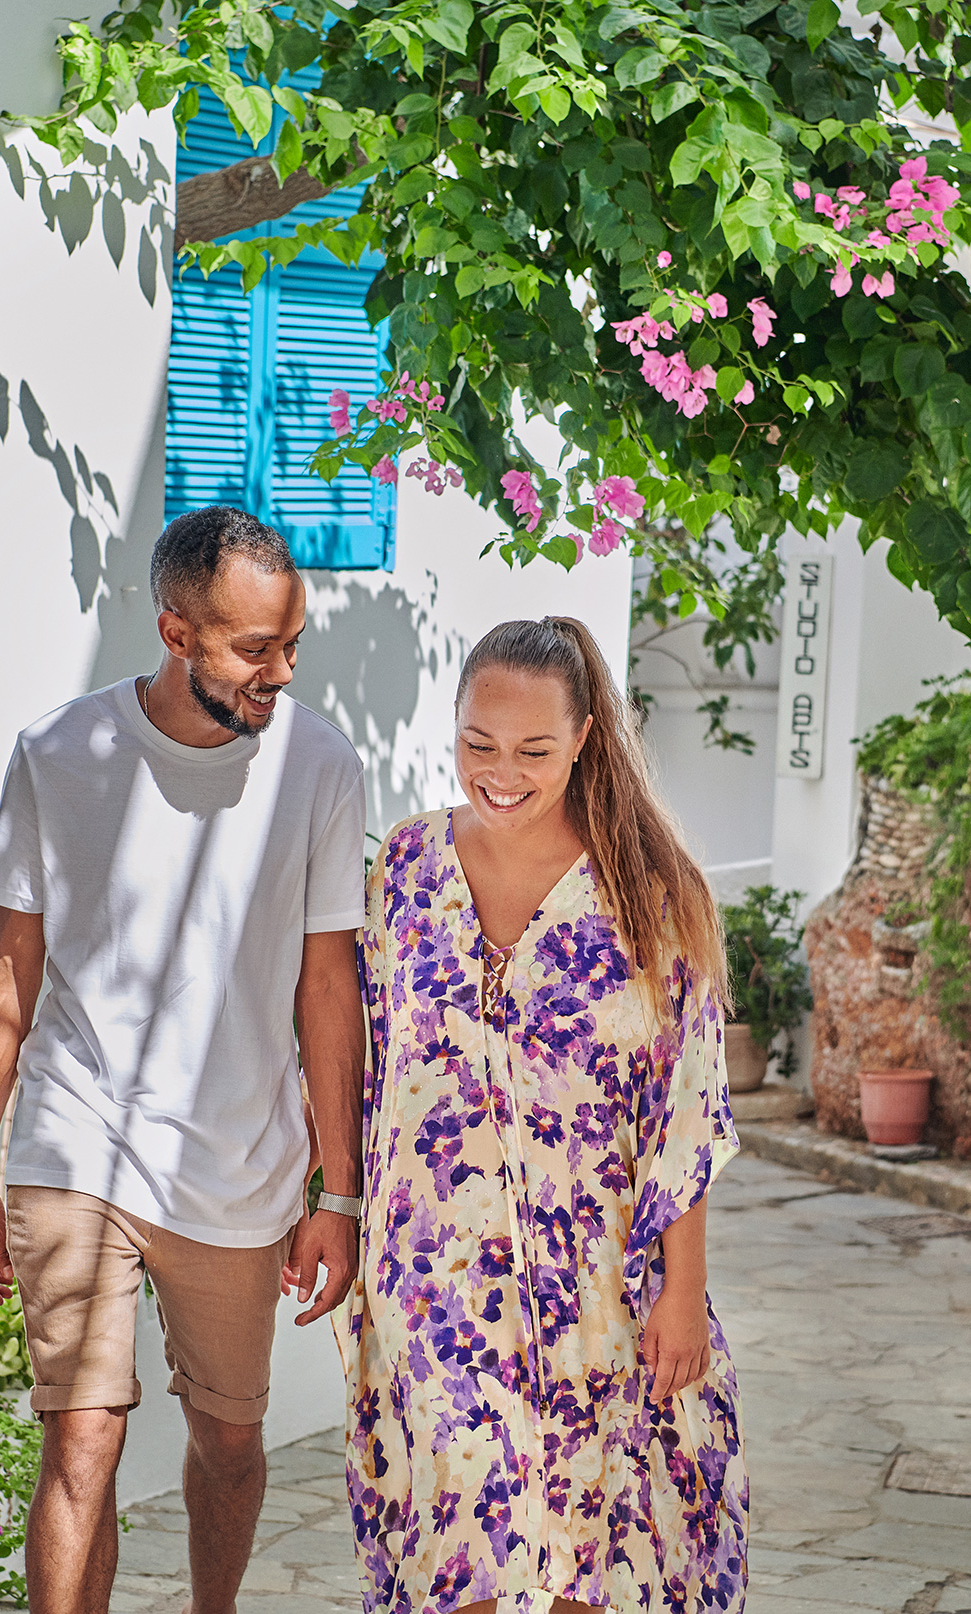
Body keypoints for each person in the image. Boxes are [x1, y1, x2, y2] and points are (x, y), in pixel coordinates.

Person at [0, 505, 366, 1614]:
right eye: (254, 648)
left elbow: (329, 987)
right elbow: (8, 967)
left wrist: (339, 1192)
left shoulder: (320, 763)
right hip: (76, 1135)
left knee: (229, 1442)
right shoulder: (58, 754)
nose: (281, 672)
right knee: (81, 1438)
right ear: (178, 634)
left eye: (292, 644)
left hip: (238, 1162)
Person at [339, 616, 747, 1614]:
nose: (501, 772)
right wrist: (333, 1207)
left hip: (596, 1284)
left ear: (583, 738)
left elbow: (685, 1110)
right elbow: (366, 1063)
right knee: (461, 1557)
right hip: (432, 1281)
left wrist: (683, 1291)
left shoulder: (651, 895)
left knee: (584, 1561)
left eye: (532, 749)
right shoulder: (405, 867)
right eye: (478, 743)